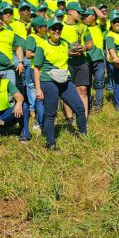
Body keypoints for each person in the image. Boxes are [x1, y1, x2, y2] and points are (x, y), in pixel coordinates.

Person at [33, 20, 87, 150]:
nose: (57, 31)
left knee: (79, 108)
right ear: (48, 31)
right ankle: (50, 143)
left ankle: (85, 137)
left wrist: (77, 50)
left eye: (59, 28)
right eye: (53, 29)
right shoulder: (42, 46)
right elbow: (36, 69)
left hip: (65, 78)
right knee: (50, 113)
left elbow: (68, 52)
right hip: (48, 80)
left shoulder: (64, 43)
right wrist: (38, 89)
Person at [25, 16, 48, 133]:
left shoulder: (44, 38)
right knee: (40, 96)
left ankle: (42, 120)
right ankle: (38, 123)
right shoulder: (32, 37)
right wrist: (42, 54)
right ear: (38, 28)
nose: (47, 28)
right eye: (45, 26)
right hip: (34, 69)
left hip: (43, 70)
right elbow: (28, 54)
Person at [83, 7, 107, 111]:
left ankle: (98, 106)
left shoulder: (100, 27)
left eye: (87, 16)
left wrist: (93, 7)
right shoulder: (83, 28)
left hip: (99, 59)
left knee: (99, 84)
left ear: (93, 17)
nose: (85, 18)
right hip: (86, 59)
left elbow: (102, 16)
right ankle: (87, 105)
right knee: (87, 84)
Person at [105, 13, 119, 108]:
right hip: (116, 62)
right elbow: (111, 49)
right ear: (111, 24)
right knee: (117, 83)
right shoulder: (110, 34)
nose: (117, 23)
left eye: (118, 21)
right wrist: (117, 61)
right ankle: (118, 105)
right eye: (115, 22)